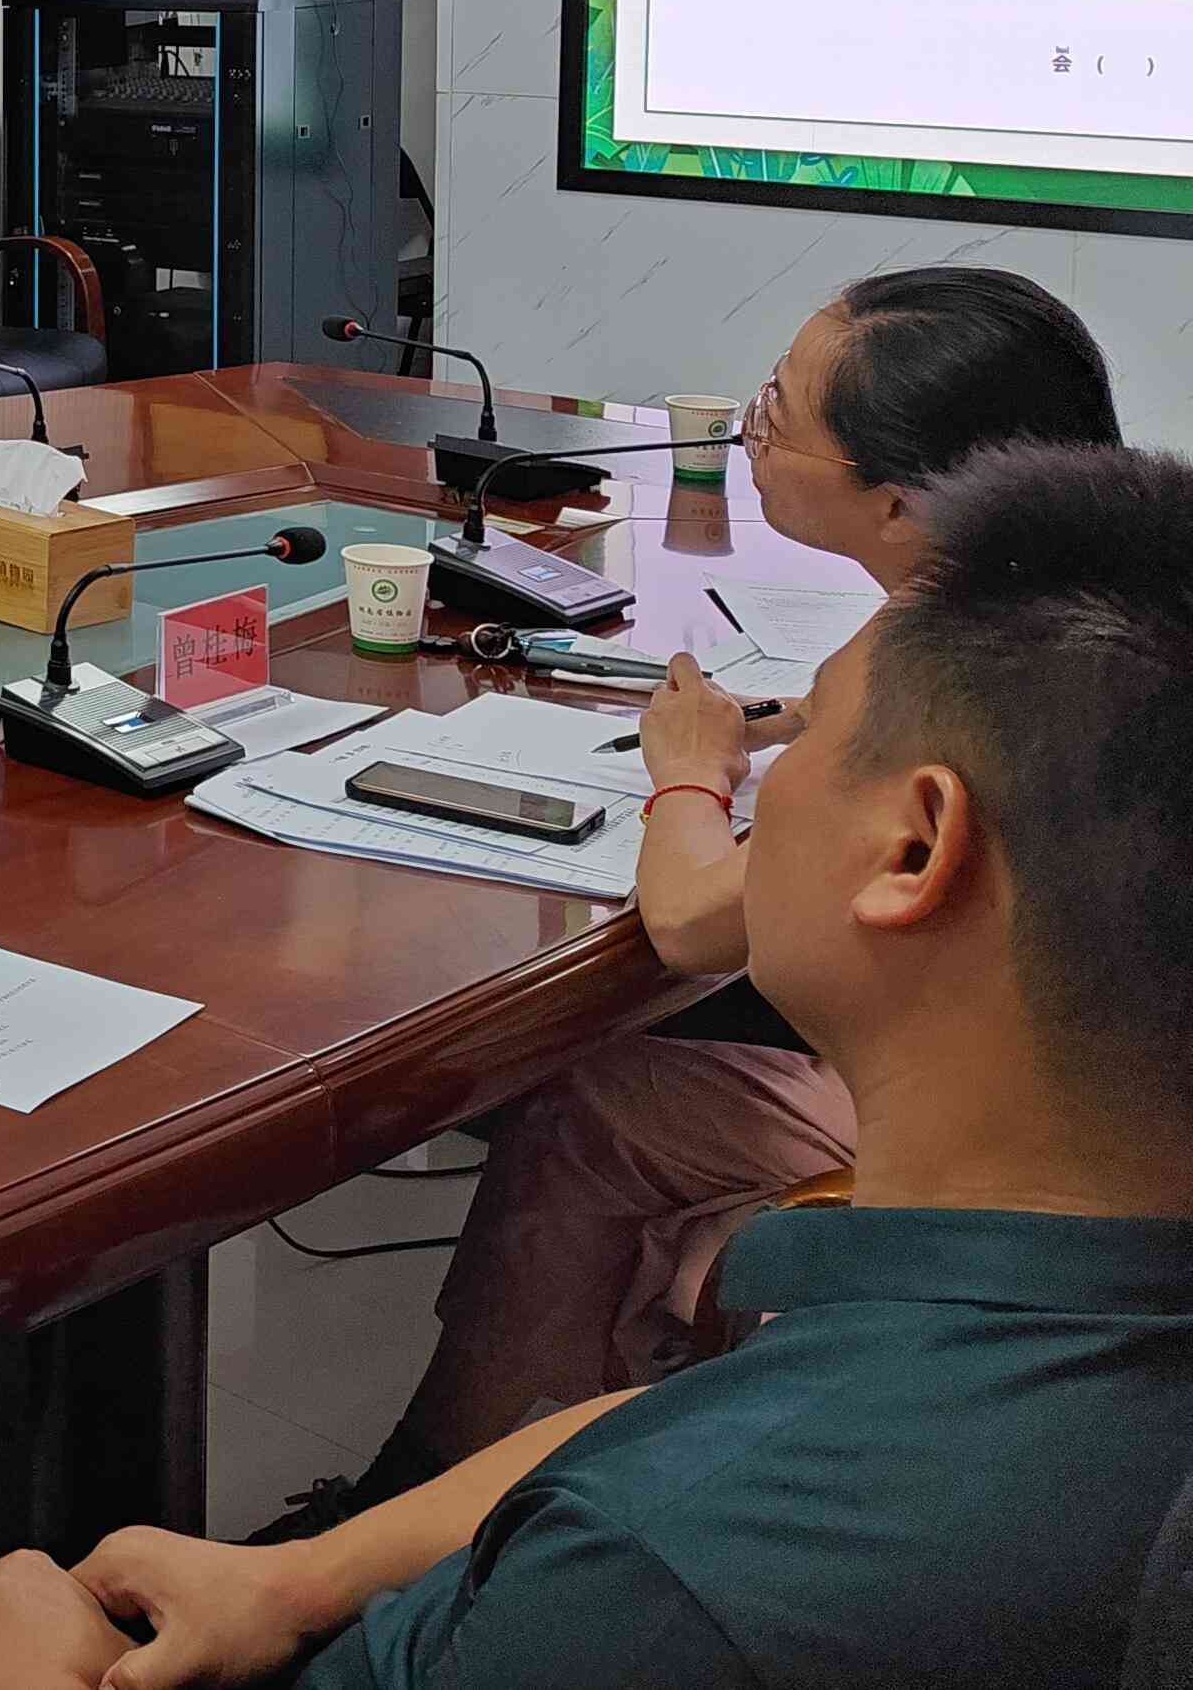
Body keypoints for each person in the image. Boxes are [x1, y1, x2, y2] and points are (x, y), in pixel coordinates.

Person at [0, 441, 1193, 1690]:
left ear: (914, 847)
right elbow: (710, 1413)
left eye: (808, 733)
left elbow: (683, 1512)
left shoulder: (648, 1584)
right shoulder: (1052, 1326)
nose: (770, 774)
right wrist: (308, 1574)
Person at [270, 267, 1121, 1521]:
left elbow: (690, 922)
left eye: (781, 412)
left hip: (1009, 1153)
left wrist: (689, 772)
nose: (752, 427)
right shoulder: (1090, 604)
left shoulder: (924, 665)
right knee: (611, 1103)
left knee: (593, 1111)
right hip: (1112, 1107)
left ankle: (447, 1500)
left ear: (898, 499)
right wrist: (800, 723)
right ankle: (471, 1486)